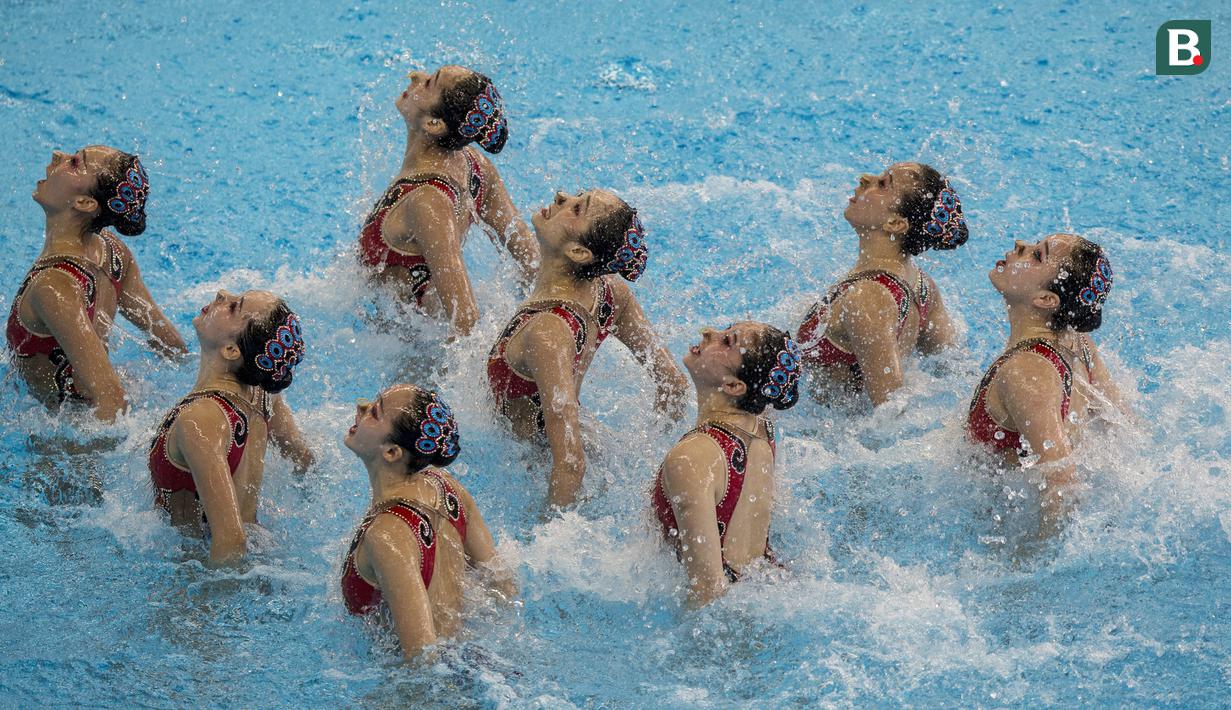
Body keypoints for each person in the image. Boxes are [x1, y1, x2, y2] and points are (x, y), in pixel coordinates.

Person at [487, 190, 687, 507]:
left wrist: (546, 535)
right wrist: (651, 447)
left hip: (533, 469)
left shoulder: (546, 332)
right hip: (596, 452)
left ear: (579, 251)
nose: (560, 195)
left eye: (576, 207)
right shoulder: (609, 295)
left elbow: (570, 464)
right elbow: (674, 385)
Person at [7, 146, 187, 420]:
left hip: (62, 446)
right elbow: (171, 345)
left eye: (75, 162)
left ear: (85, 203)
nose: (58, 155)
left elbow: (112, 400)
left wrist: (82, 457)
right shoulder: (112, 252)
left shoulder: (53, 287)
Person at [967, 234, 1125, 542]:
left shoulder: (1026, 371)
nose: (1019, 245)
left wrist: (1030, 559)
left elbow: (1063, 480)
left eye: (1037, 256)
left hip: (1001, 531)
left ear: (1046, 299)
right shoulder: (1079, 345)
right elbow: (1123, 426)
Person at [358, 65, 538, 334]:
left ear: (434, 124)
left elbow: (464, 316)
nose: (416, 76)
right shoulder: (473, 167)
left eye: (430, 83)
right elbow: (532, 258)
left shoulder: (426, 201)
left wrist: (459, 375)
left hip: (419, 347)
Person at [340, 384, 515, 659]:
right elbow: (503, 584)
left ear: (392, 452)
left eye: (374, 412)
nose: (361, 407)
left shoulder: (386, 535)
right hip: (469, 658)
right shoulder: (447, 489)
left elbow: (422, 658)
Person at [149, 290, 314, 565]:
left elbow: (231, 541)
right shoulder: (262, 395)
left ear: (231, 350)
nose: (222, 294)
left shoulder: (200, 420)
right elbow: (303, 459)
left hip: (202, 568)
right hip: (261, 555)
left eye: (234, 307)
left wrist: (211, 604)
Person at [651, 322, 801, 606]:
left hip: (730, 613)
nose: (708, 332)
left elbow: (707, 591)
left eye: (727, 341)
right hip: (767, 587)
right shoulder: (762, 429)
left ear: (734, 386)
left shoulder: (691, 459)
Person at [796, 163, 966, 406]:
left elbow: (889, 412)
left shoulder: (867, 298)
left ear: (895, 223)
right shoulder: (923, 286)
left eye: (884, 184)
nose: (866, 178)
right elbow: (954, 367)